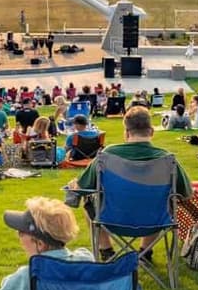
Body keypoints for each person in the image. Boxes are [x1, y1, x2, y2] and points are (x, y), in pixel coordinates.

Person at [69, 107, 191, 253]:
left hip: (111, 221)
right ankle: (145, 251)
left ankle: (106, 250)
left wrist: (73, 185)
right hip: (155, 222)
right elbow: (187, 194)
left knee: (88, 202)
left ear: (126, 133)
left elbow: (82, 188)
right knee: (162, 201)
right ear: (151, 131)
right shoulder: (167, 159)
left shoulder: (106, 156)